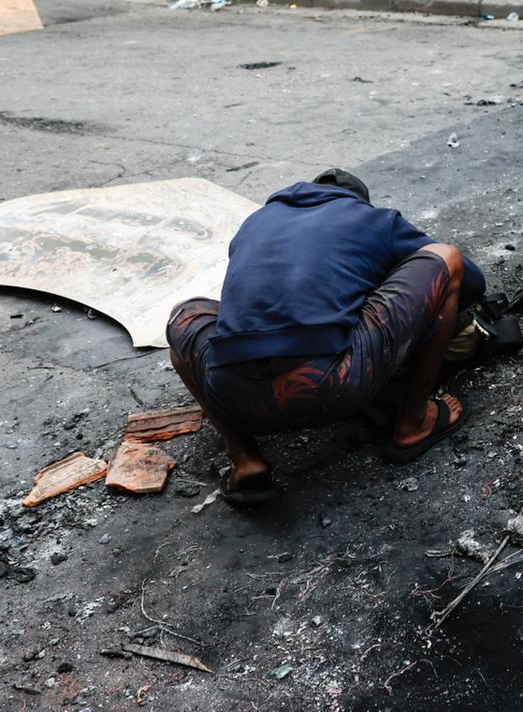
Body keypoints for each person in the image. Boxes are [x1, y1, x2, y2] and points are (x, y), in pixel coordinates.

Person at [167, 169, 483, 505]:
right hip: (332, 383)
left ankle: (245, 459)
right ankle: (415, 422)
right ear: (356, 199)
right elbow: (472, 282)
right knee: (447, 259)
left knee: (185, 315)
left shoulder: (255, 223)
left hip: (232, 395)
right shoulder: (373, 219)